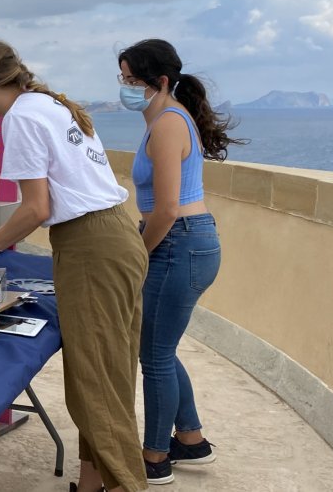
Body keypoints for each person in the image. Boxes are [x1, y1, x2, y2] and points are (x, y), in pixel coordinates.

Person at [0, 39, 148, 492]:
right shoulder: (48, 104)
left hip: (92, 246)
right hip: (115, 235)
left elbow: (36, 208)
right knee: (106, 373)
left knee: (97, 382)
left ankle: (124, 484)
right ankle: (91, 482)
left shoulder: (20, 117)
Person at [118, 39, 238, 485]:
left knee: (154, 355)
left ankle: (154, 458)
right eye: (123, 79)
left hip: (177, 242)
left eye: (132, 80)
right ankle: (190, 438)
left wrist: (138, 253)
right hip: (184, 241)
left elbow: (166, 209)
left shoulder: (168, 124)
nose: (126, 88)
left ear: (160, 82)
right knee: (161, 349)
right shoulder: (163, 120)